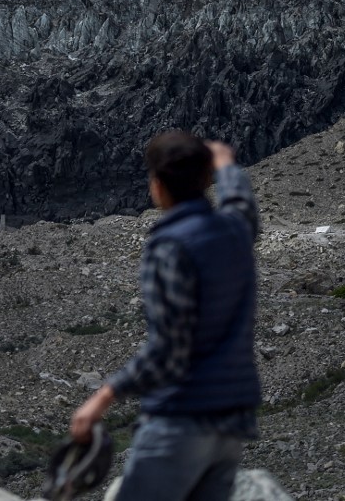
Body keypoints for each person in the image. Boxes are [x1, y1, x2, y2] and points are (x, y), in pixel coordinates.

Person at [70, 132, 261, 501]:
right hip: (232, 421)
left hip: (182, 417)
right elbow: (242, 205)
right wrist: (226, 166)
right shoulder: (235, 229)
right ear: (205, 180)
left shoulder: (170, 246)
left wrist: (104, 397)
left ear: (157, 185)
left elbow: (169, 348)